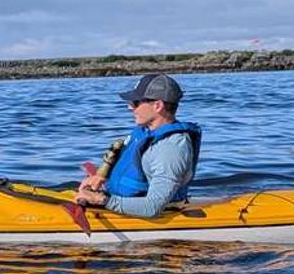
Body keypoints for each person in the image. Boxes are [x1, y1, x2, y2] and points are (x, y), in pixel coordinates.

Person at [73, 73, 201, 217]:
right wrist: (101, 177)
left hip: (151, 214)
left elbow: (152, 207)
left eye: (135, 102)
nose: (129, 107)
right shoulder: (145, 132)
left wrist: (101, 199)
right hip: (121, 202)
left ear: (158, 106)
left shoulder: (171, 149)